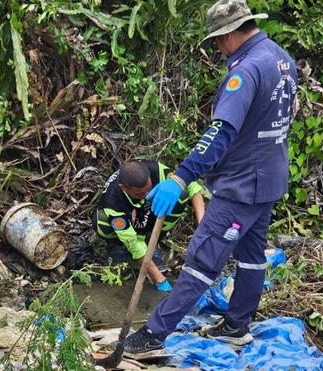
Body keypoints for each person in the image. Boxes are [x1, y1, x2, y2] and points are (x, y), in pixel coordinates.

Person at [123, 0, 298, 352]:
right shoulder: (281, 58)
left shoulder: (245, 72)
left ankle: (154, 335)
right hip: (270, 177)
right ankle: (236, 327)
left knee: (203, 259)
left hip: (242, 185)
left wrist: (181, 176)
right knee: (251, 256)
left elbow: (221, 132)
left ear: (231, 34)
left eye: (218, 39)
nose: (218, 47)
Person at [93, 160, 205, 292]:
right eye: (140, 193)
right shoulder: (112, 200)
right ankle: (120, 249)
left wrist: (203, 226)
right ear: (124, 188)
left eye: (149, 189)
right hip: (129, 221)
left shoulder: (156, 169)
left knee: (181, 192)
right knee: (101, 222)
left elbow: (192, 187)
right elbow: (133, 243)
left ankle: (151, 245)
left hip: (152, 213)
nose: (147, 195)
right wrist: (160, 279)